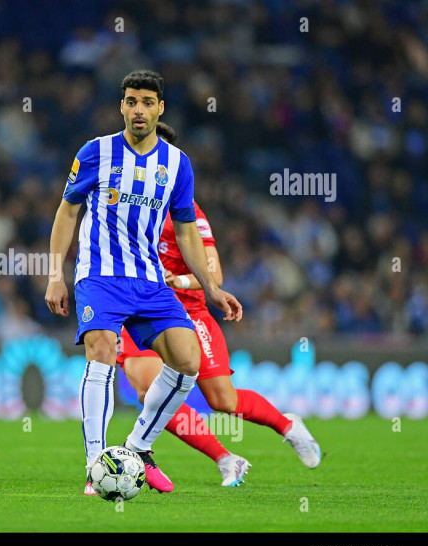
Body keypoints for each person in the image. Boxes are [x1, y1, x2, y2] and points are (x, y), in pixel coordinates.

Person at [45, 70, 243, 495]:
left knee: (188, 360)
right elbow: (67, 212)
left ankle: (136, 447)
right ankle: (96, 464)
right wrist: (54, 274)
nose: (139, 110)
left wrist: (211, 288)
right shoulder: (96, 152)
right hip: (99, 275)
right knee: (100, 353)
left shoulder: (177, 163)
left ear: (160, 108)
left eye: (147, 102)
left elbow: (188, 231)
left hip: (150, 281)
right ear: (121, 106)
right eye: (132, 101)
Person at [116, 121, 322, 489]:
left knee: (222, 400)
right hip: (137, 309)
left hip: (186, 311)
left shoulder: (186, 211)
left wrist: (176, 280)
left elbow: (214, 272)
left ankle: (288, 426)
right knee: (149, 391)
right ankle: (226, 458)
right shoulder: (121, 200)